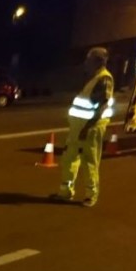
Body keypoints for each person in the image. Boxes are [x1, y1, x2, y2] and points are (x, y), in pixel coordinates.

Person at [50, 47, 115, 208]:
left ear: (98, 62)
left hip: (90, 128)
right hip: (78, 128)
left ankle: (91, 195)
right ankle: (65, 192)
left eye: (89, 59)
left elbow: (102, 105)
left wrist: (88, 127)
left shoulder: (104, 79)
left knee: (89, 161)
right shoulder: (93, 77)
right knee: (69, 159)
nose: (86, 62)